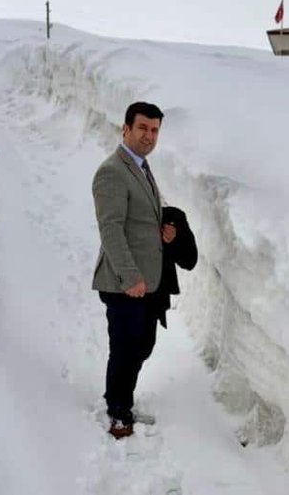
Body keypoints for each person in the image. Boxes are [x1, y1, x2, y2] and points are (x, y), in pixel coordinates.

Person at [91, 101, 197, 439]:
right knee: (125, 348)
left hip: (147, 282)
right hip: (125, 281)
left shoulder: (141, 166)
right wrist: (130, 277)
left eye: (154, 130)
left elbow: (141, 218)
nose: (149, 136)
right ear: (125, 129)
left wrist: (166, 234)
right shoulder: (112, 171)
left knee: (142, 345)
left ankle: (121, 398)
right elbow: (110, 229)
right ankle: (118, 412)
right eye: (142, 128)